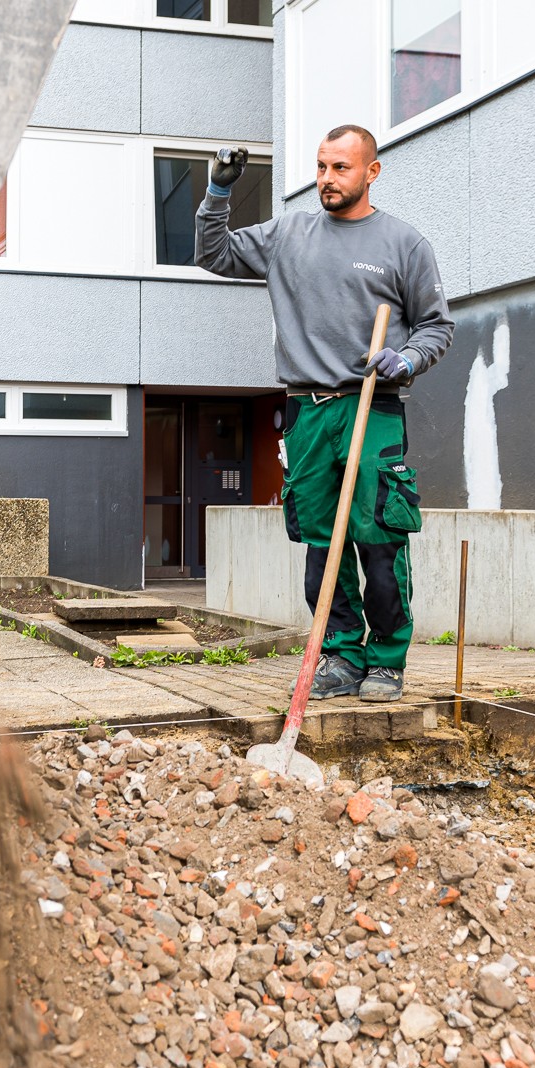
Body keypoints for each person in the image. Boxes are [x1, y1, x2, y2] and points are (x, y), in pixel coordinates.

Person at [196, 125, 453, 703]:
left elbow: (438, 325)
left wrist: (405, 357)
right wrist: (218, 191)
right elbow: (213, 254)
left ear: (371, 171)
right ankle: (340, 654)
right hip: (306, 410)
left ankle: (386, 661)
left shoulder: (403, 244)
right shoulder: (289, 233)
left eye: (340, 168)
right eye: (320, 167)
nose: (327, 180)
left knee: (378, 539)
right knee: (320, 541)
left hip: (373, 404)